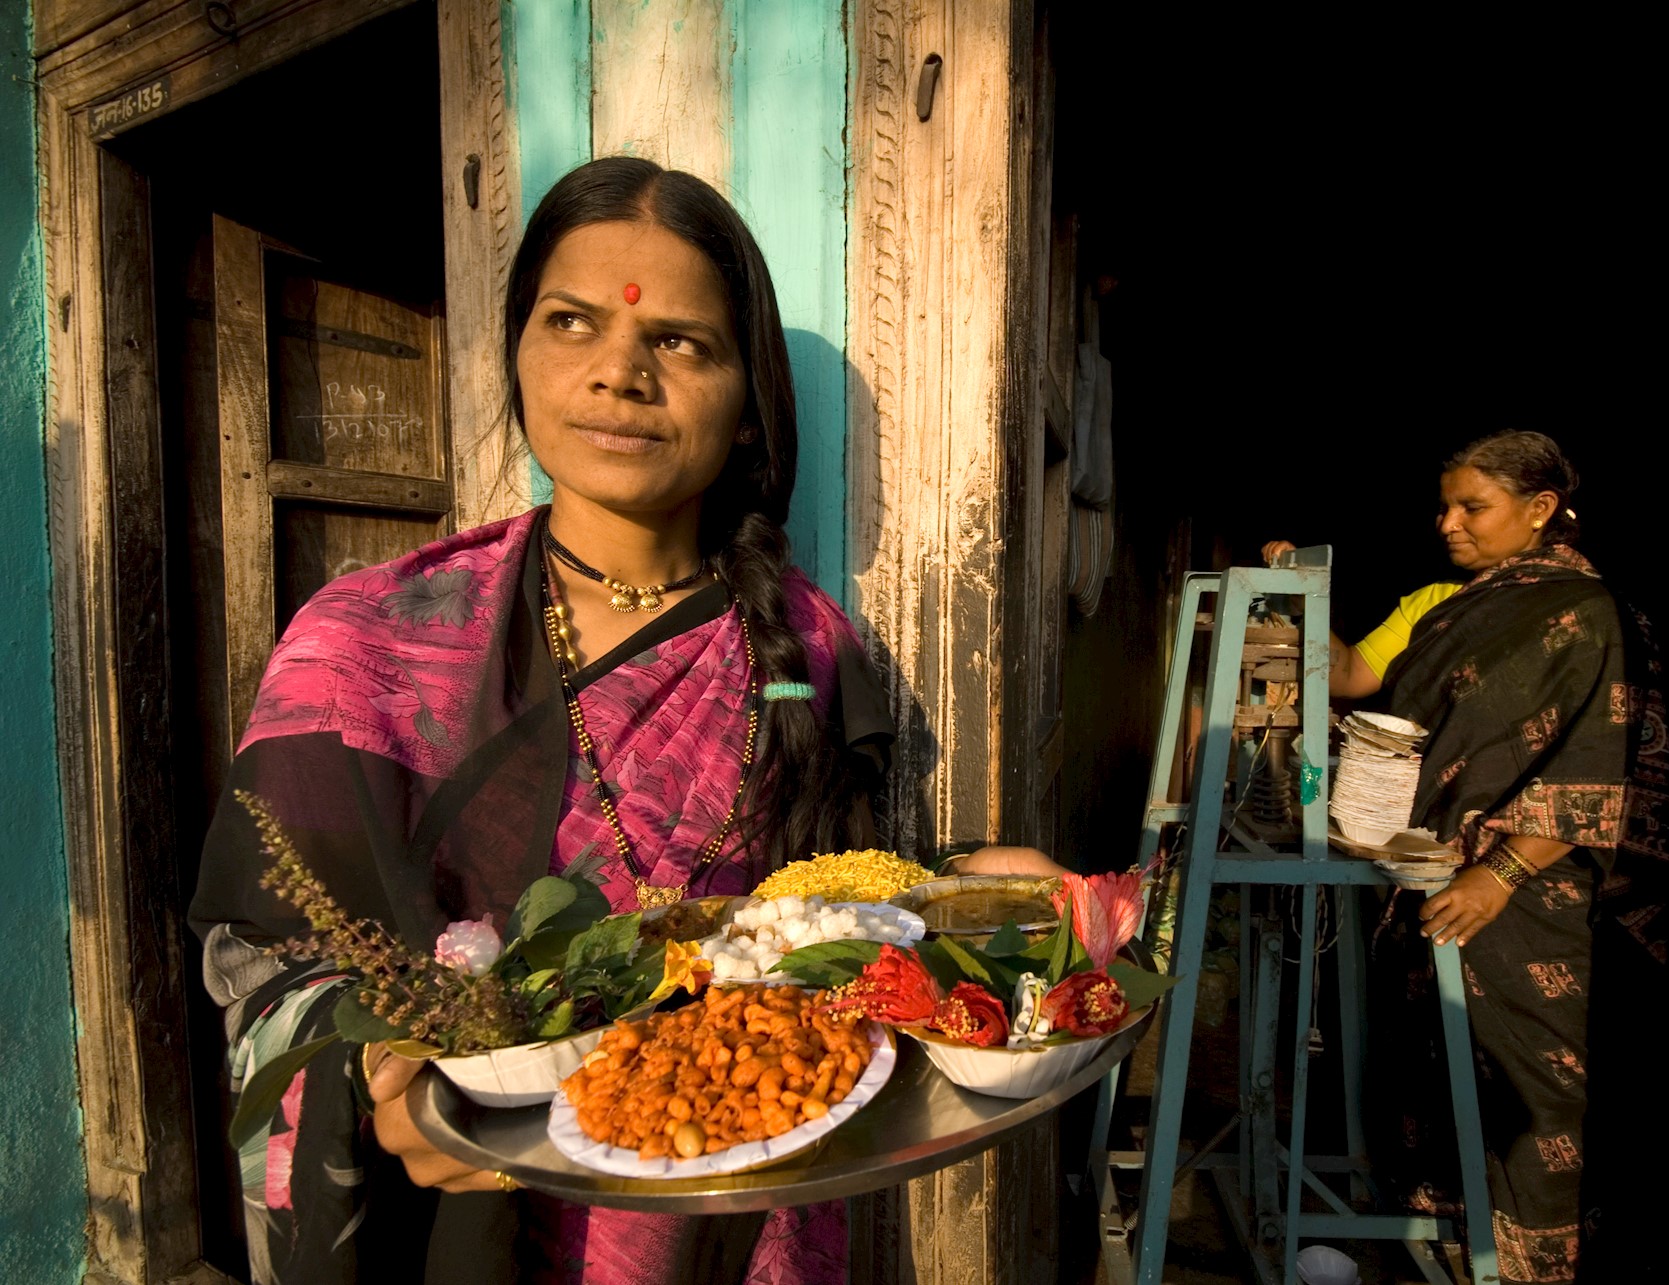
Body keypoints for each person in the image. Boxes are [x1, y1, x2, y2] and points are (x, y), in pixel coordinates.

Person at [190, 156, 1057, 1285]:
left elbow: (827, 912)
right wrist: (376, 1076)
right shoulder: (370, 640)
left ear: (749, 402)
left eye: (680, 342)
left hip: (741, 1206)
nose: (619, 373)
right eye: (571, 322)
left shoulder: (810, 655)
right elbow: (263, 952)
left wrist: (964, 888)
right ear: (516, 352)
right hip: (467, 1226)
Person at [1267, 430, 1669, 1283]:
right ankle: (1454, 1249)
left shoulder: (1587, 616)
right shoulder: (1436, 604)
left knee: (1532, 1085)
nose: (1448, 522)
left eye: (1472, 507)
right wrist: (1300, 599)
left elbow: (1595, 765)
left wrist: (1503, 874)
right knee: (1428, 1064)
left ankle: (1533, 1267)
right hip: (1429, 872)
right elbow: (1349, 677)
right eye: (1445, 504)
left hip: (1531, 894)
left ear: (1540, 511)